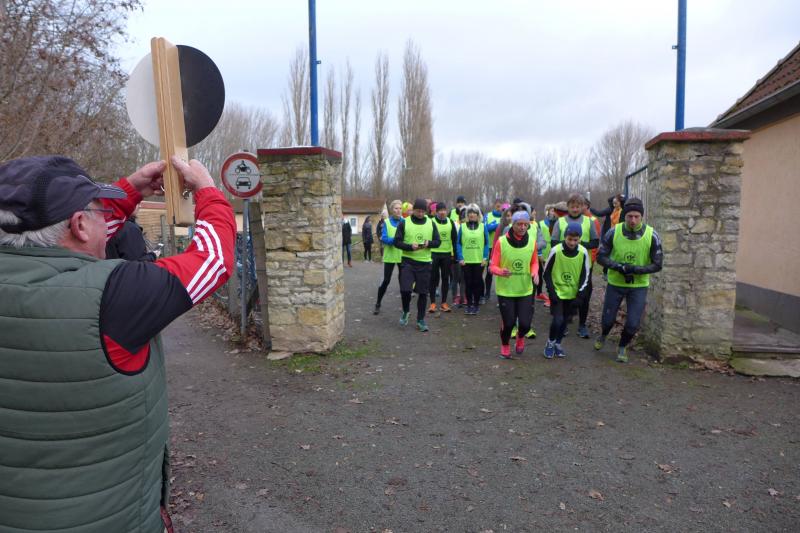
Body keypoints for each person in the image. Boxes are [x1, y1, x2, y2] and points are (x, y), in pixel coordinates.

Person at [0, 155, 235, 532]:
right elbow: (213, 259)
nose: (107, 220)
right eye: (100, 211)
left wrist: (129, 191)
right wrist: (207, 191)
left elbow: (72, 243)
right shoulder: (114, 295)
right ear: (79, 224)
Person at [595, 197, 663, 362]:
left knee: (633, 324)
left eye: (636, 217)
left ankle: (622, 346)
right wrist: (619, 267)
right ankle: (604, 334)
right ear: (624, 216)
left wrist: (636, 269)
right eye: (629, 216)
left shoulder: (652, 235)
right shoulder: (613, 232)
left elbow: (658, 264)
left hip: (638, 285)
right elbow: (600, 257)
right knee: (607, 320)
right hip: (615, 283)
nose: (633, 220)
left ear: (641, 217)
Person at [490, 210, 539, 359]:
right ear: (513, 224)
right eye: (519, 224)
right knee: (509, 323)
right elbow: (492, 267)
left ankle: (520, 336)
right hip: (506, 290)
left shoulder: (532, 241)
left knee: (525, 324)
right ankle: (505, 345)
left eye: (526, 224)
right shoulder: (501, 242)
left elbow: (534, 262)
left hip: (525, 289)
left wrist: (535, 272)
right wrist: (500, 271)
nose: (523, 227)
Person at [550, 193, 599, 339]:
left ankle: (582, 325)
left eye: (578, 206)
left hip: (584, 265)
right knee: (564, 294)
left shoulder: (589, 222)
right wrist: (568, 245)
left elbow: (595, 242)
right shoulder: (560, 222)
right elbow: (553, 242)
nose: (575, 209)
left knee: (584, 295)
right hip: (563, 265)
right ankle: (564, 323)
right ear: (568, 207)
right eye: (572, 206)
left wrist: (580, 245)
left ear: (583, 207)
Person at [542, 222, 590, 359]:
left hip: (573, 294)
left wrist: (580, 295)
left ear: (579, 239)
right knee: (557, 320)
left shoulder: (583, 252)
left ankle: (558, 343)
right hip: (557, 293)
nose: (572, 243)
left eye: (575, 240)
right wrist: (551, 292)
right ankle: (550, 342)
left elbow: (585, 275)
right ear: (565, 237)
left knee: (565, 321)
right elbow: (546, 273)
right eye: (569, 239)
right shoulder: (556, 250)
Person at [392, 198, 441, 332]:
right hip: (408, 261)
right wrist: (409, 247)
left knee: (423, 293)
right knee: (405, 289)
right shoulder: (404, 222)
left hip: (424, 262)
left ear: (426, 211)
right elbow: (396, 242)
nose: (420, 214)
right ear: (413, 210)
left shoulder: (431, 223)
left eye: (422, 211)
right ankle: (406, 311)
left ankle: (420, 320)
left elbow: (438, 242)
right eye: (418, 211)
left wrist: (429, 244)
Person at [456, 204, 490, 315]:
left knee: (477, 283)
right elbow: (458, 243)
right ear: (467, 215)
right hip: (466, 261)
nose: (471, 215)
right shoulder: (462, 227)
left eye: (474, 213)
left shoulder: (483, 226)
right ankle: (469, 305)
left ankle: (476, 305)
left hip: (479, 261)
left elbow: (486, 243)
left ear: (478, 215)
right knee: (468, 283)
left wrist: (485, 257)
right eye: (470, 213)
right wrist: (460, 257)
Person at [374, 200, 404, 314]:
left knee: (403, 282)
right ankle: (378, 303)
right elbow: (384, 238)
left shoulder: (405, 221)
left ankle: (405, 308)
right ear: (392, 210)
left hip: (402, 255)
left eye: (400, 208)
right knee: (386, 281)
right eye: (396, 208)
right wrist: (397, 240)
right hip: (390, 256)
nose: (398, 210)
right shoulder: (386, 222)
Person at [429, 202, 457, 313]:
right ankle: (432, 303)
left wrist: (455, 255)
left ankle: (444, 303)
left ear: (446, 211)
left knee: (445, 278)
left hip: (446, 254)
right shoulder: (431, 222)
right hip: (434, 253)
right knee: (433, 278)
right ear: (436, 212)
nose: (442, 212)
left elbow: (454, 240)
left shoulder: (450, 222)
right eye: (440, 210)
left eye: (444, 210)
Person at [482, 198, 504, 304]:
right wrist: (495, 226)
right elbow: (484, 228)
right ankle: (486, 293)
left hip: (501, 248)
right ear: (494, 205)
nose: (499, 208)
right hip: (490, 246)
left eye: (500, 206)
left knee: (501, 270)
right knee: (489, 271)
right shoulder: (488, 215)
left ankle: (502, 294)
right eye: (497, 206)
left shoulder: (505, 216)